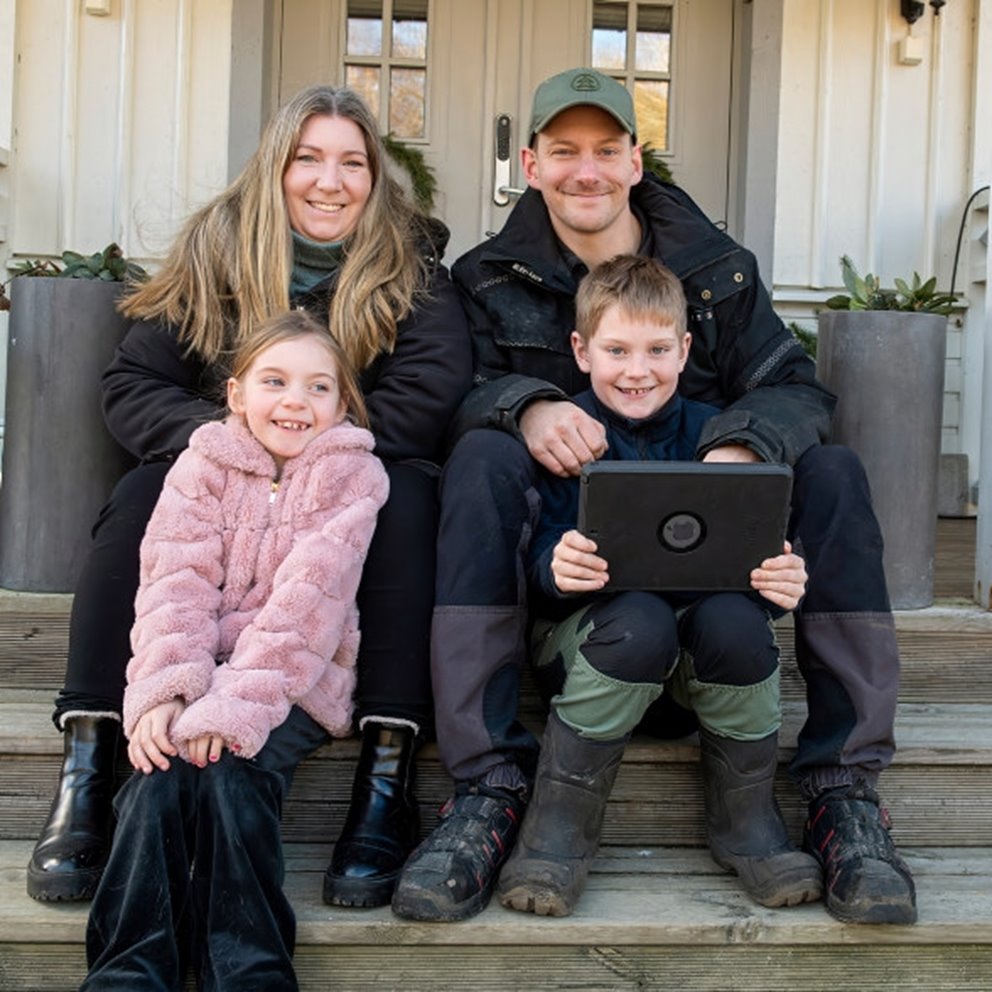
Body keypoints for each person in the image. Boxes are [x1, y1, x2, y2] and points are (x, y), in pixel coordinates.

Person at [392, 68, 916, 926]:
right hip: (578, 593)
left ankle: (841, 789)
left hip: (719, 594)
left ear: (638, 161)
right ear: (531, 163)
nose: (586, 170)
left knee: (833, 469)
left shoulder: (716, 269)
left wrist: (746, 441)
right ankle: (487, 788)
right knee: (481, 455)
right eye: (564, 151)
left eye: (607, 150)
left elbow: (796, 389)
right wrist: (523, 406)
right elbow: (448, 391)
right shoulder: (483, 276)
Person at [27, 84, 472, 913]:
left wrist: (305, 452)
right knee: (143, 492)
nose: (329, 181)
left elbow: (425, 399)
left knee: (409, 500)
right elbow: (133, 382)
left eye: (351, 162)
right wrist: (231, 445)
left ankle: (386, 773)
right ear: (276, 167)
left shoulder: (412, 274)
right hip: (223, 490)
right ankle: (89, 761)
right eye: (308, 158)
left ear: (375, 179)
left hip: (348, 482)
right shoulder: (219, 253)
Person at [496, 254, 819, 917]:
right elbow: (533, 556)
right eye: (616, 349)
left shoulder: (718, 435)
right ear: (582, 352)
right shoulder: (565, 435)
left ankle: (748, 826)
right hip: (595, 654)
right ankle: (557, 833)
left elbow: (749, 559)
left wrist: (779, 582)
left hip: (692, 682)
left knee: (734, 621)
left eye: (656, 349)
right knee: (639, 616)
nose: (636, 369)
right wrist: (556, 564)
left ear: (685, 350)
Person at [82, 310, 389, 989]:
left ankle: (250, 969)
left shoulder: (353, 479)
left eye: (318, 388)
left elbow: (306, 611)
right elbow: (174, 585)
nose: (294, 402)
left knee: (230, 774)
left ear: (343, 404)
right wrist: (166, 695)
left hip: (293, 683)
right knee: (156, 779)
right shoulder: (201, 467)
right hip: (197, 674)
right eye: (274, 381)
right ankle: (128, 970)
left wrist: (231, 713)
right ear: (236, 393)